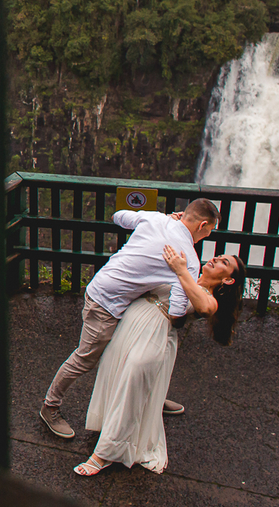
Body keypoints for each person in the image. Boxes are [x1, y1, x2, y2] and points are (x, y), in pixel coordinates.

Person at [40, 198, 221, 440]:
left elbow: (118, 216)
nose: (208, 236)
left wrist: (162, 217)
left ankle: (152, 398)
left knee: (140, 353)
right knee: (85, 358)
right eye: (210, 231)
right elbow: (177, 312)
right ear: (203, 225)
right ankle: (49, 407)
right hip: (106, 303)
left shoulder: (156, 218)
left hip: (112, 292)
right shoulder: (187, 257)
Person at [74, 248, 245, 476]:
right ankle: (112, 431)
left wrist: (180, 269)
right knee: (114, 373)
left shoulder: (208, 298)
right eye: (219, 255)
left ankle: (104, 455)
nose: (215, 258)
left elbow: (203, 308)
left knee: (132, 386)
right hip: (132, 322)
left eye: (224, 262)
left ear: (228, 279)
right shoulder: (189, 270)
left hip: (155, 336)